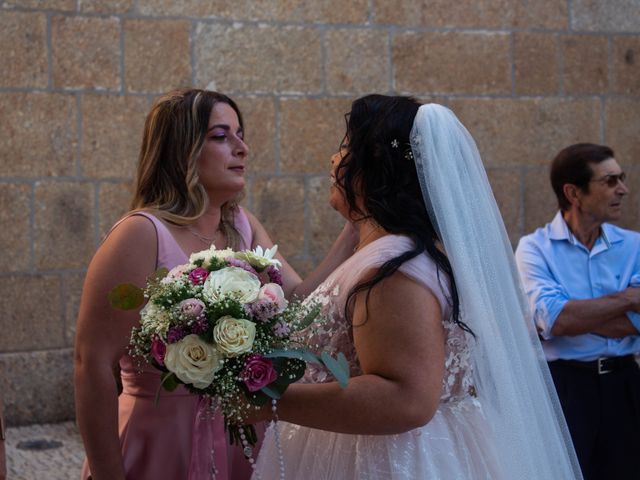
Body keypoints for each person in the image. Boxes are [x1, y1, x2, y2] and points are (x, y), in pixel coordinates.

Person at [248, 95, 582, 479]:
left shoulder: (393, 269)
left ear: (373, 167)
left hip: (386, 459)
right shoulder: (388, 253)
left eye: (343, 148)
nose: (333, 160)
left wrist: (271, 400)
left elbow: (406, 399)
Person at [74, 88, 355, 480]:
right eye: (222, 136)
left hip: (240, 436)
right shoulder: (140, 234)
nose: (242, 148)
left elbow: (297, 300)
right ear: (182, 150)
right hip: (161, 439)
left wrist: (357, 224)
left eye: (240, 134)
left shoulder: (241, 224)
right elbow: (93, 366)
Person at [515, 143, 640, 480]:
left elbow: (562, 319)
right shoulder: (534, 248)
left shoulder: (635, 245)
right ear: (573, 192)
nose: (623, 189)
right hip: (565, 389)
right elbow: (551, 318)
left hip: (626, 386)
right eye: (610, 181)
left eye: (622, 178)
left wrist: (574, 316)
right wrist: (629, 299)